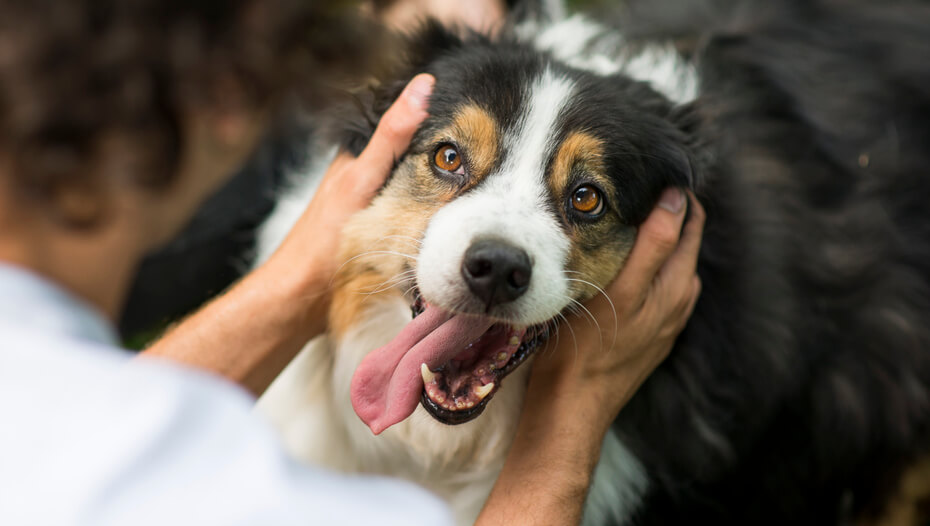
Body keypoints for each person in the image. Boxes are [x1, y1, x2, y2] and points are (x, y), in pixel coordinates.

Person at [0, 1, 704, 525]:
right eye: (449, 159)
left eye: (584, 199)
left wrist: (297, 281)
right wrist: (566, 428)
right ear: (217, 101)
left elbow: (101, 441)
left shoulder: (48, 402)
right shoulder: (260, 500)